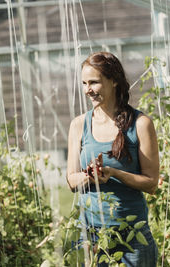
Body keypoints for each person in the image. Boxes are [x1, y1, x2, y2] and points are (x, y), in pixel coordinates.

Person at [66, 52, 159, 266]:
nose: (87, 89)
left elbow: (152, 183)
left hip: (132, 236)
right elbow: (71, 180)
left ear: (114, 81)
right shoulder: (79, 125)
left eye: (94, 82)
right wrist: (90, 175)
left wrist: (114, 173)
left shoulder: (140, 124)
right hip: (90, 236)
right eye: (84, 83)